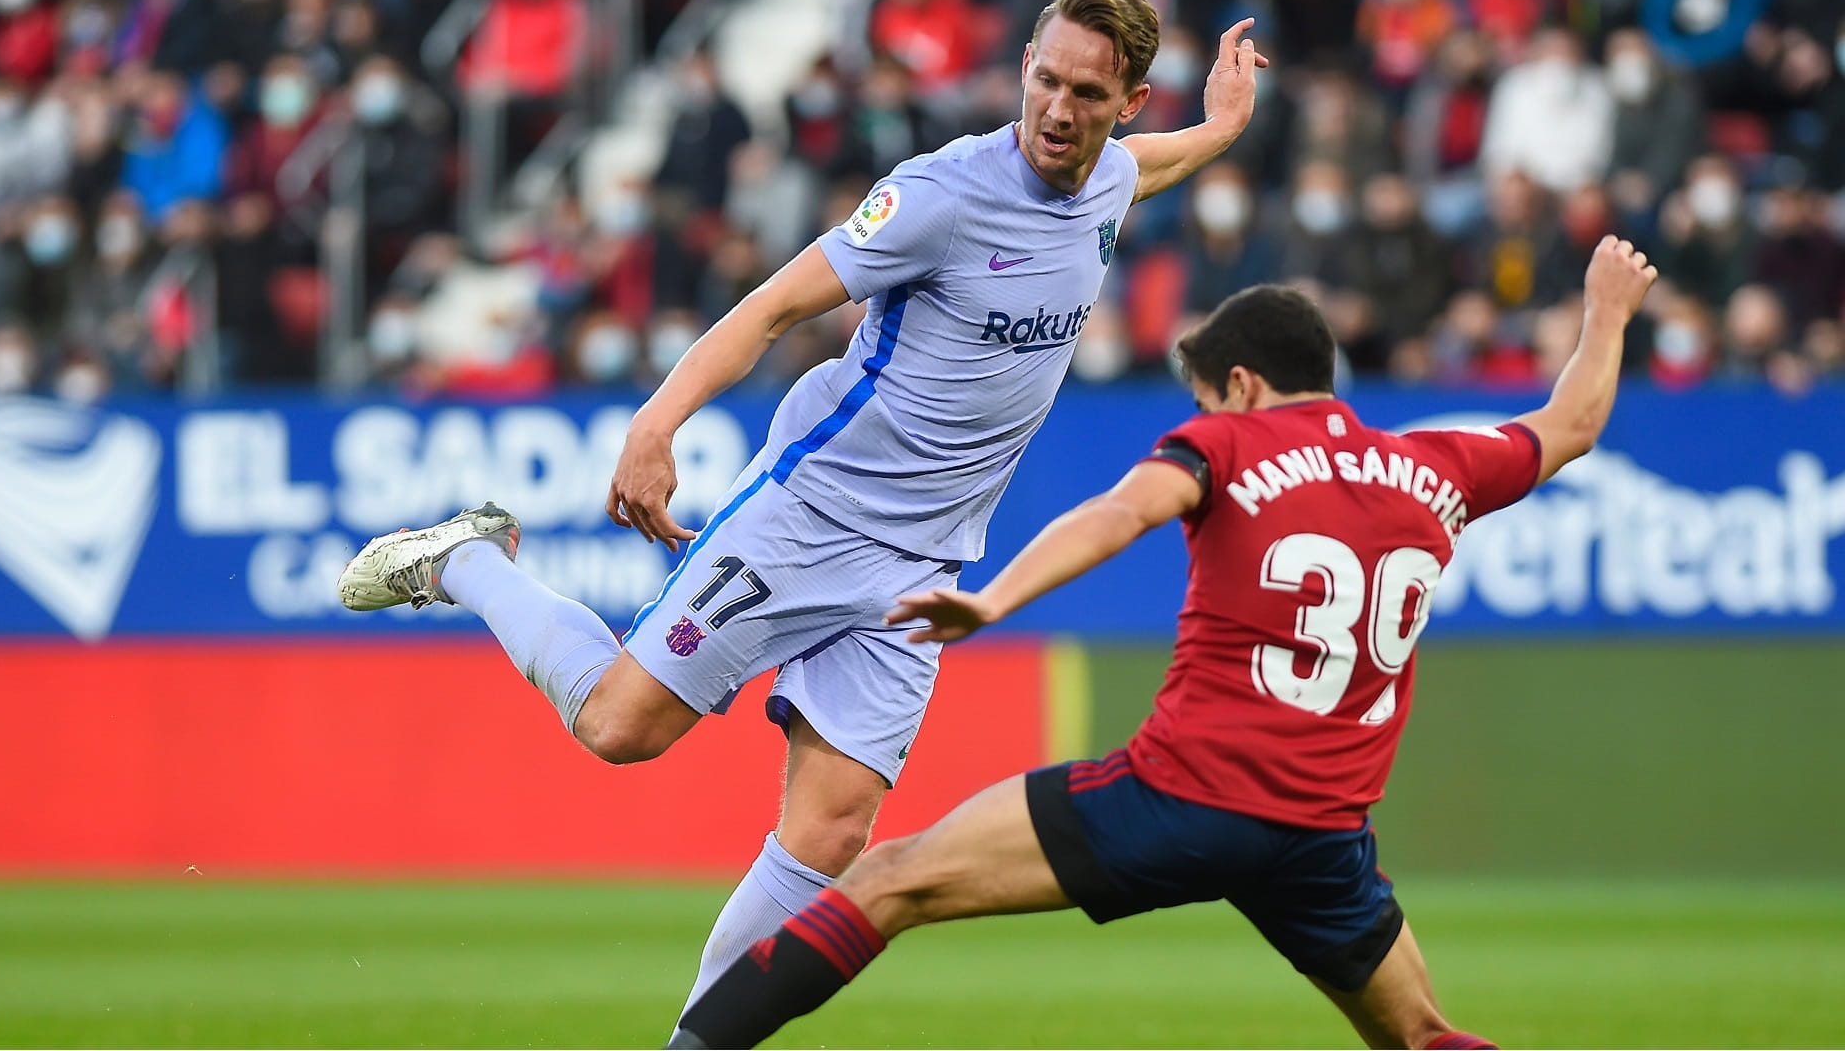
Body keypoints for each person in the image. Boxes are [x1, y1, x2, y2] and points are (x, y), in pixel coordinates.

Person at [334, 0, 1268, 1022]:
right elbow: (775, 305)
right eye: (1044, 79)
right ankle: (466, 560)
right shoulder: (940, 195)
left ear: (1129, 101)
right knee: (619, 730)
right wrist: (656, 423)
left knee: (830, 837)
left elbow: (1162, 161)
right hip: (811, 516)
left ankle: (701, 1041)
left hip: (922, 569)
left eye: (1088, 95)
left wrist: (1224, 122)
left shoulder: (1106, 182)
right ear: (1023, 69)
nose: (1057, 110)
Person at [665, 236, 1660, 1051]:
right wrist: (1608, 309)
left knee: (885, 883)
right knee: (1420, 1036)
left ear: (1240, 384)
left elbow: (1120, 512)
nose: (1198, 414)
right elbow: (1570, 423)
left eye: (1200, 398)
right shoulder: (1433, 466)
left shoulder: (1229, 442)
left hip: (1182, 797)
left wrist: (998, 598)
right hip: (1321, 837)